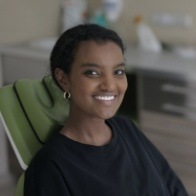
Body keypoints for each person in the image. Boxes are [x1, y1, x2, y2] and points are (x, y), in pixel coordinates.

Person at [24, 23, 188, 196]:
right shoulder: (51, 166)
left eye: (118, 71)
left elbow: (173, 186)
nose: (110, 85)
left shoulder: (127, 128)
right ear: (64, 79)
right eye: (93, 73)